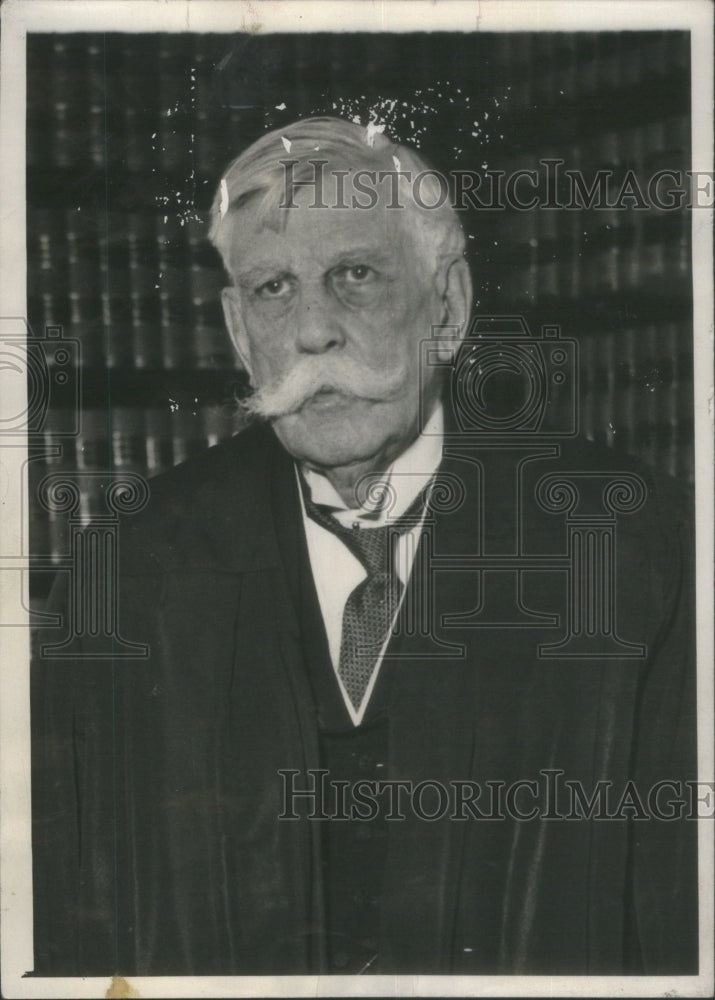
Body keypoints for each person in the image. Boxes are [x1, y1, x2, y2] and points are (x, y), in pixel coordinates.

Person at [31, 117, 697, 977]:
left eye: (354, 276)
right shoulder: (126, 573)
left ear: (447, 308)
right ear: (238, 332)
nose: (312, 332)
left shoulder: (634, 549)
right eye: (273, 288)